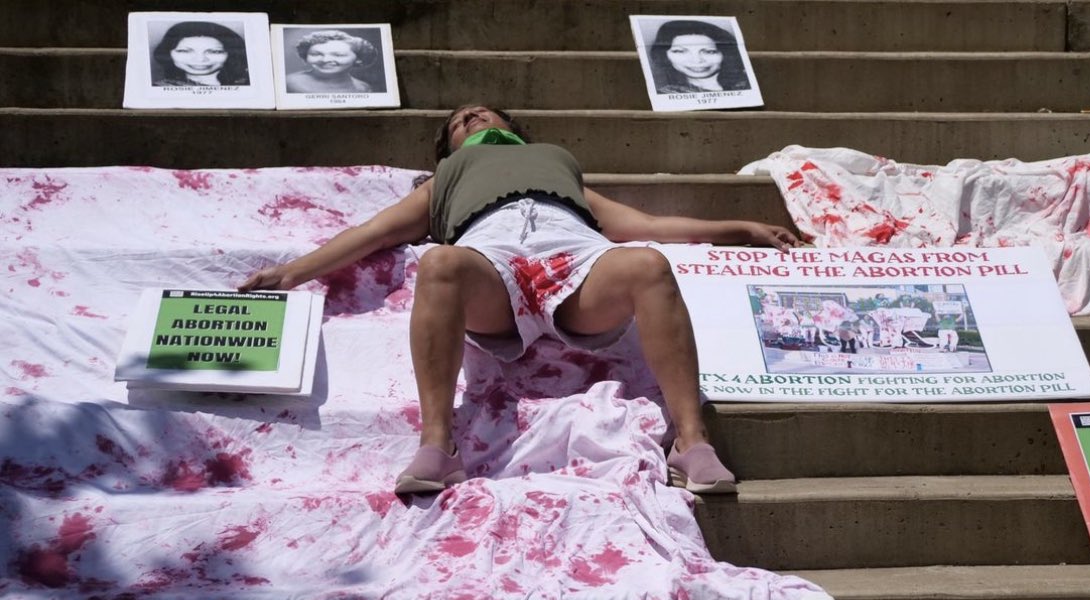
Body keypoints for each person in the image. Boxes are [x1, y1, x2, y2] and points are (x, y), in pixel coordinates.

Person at [239, 105, 800, 495]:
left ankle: (692, 442)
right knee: (439, 263)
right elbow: (373, 232)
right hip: (491, 257)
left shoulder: (556, 165)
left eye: (482, 112)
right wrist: (292, 272)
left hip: (576, 255)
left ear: (513, 127)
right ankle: (439, 446)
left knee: (648, 264)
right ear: (448, 148)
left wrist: (738, 227)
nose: (470, 117)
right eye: (458, 120)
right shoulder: (445, 179)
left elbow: (643, 225)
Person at [648, 20, 751, 94]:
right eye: (680, 51)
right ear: (664, 55)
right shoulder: (665, 95)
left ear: (725, 54)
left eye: (710, 52)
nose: (696, 61)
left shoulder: (749, 85)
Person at [152, 21, 249, 87]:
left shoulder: (253, 84)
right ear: (168, 53)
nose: (200, 59)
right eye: (185, 51)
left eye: (214, 51)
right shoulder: (158, 89)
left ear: (231, 53)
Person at [286, 30, 378, 94]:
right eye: (316, 54)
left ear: (358, 58)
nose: (325, 60)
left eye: (338, 55)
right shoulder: (289, 83)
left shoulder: (363, 88)